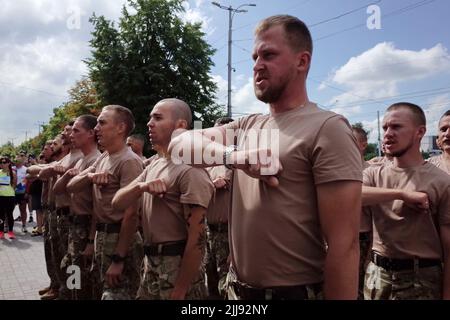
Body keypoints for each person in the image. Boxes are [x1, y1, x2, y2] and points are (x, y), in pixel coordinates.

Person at [169, 15, 362, 300]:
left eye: (269, 55)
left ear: (302, 61)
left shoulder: (328, 128)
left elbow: (344, 246)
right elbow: (178, 144)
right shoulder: (247, 126)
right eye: (255, 57)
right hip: (237, 292)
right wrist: (234, 156)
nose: (258, 65)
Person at [112, 98, 214, 300]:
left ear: (180, 126)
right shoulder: (155, 164)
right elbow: (118, 202)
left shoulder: (190, 169)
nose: (150, 123)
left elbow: (197, 242)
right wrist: (141, 186)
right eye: (150, 118)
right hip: (151, 263)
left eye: (158, 118)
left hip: (177, 268)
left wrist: (182, 289)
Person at [362, 102, 450, 300]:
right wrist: (401, 194)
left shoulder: (442, 181)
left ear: (420, 132)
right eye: (385, 127)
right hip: (377, 277)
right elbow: (350, 195)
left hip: (421, 281)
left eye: (396, 127)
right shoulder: (373, 173)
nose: (387, 133)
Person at [67, 105, 144, 300]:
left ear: (120, 128)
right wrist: (91, 176)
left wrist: (119, 258)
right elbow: (72, 186)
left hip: (119, 238)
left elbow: (131, 215)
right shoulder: (104, 157)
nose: (97, 129)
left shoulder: (129, 161)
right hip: (102, 236)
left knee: (118, 294)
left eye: (102, 123)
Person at [54, 114, 101, 299]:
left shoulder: (94, 160)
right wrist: (66, 176)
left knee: (84, 279)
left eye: (76, 130)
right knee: (74, 272)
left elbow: (97, 206)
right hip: (75, 226)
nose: (71, 134)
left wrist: (91, 241)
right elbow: (59, 190)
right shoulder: (82, 160)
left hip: (86, 225)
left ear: (90, 133)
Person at [205, 116, 234, 299]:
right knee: (212, 281)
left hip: (229, 233)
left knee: (228, 285)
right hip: (209, 232)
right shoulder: (208, 163)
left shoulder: (240, 163)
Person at [0, 156, 17, 239]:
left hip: (10, 197)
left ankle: (10, 232)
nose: (2, 164)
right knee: (1, 215)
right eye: (1, 162)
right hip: (1, 197)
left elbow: (14, 185)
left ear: (8, 163)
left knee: (10, 215)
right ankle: (1, 232)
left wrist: (8, 190)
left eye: (4, 162)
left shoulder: (12, 173)